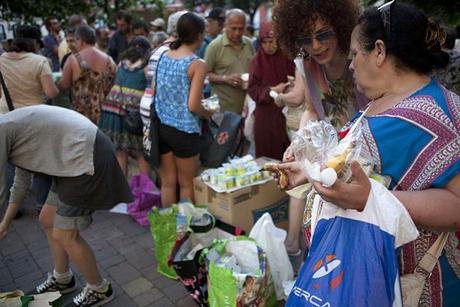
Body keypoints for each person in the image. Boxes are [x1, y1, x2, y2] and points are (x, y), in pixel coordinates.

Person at [278, 2, 460, 306]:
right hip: (377, 277)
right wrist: (308, 170)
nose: (350, 65)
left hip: (422, 285)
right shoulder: (384, 101)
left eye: (353, 55)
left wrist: (369, 199)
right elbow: (352, 167)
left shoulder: (432, 116)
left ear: (378, 51)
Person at [0, 105, 133, 306]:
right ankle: (63, 279)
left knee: (64, 234)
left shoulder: (3, 129)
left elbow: (1, 186)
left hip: (84, 156)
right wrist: (5, 223)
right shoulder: (7, 126)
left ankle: (100, 289)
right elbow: (21, 179)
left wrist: (3, 223)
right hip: (70, 158)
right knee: (48, 219)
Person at [272, 0, 362, 256]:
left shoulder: (359, 57)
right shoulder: (306, 63)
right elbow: (311, 109)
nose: (316, 45)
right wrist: (299, 140)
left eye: (323, 34)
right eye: (305, 38)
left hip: (363, 157)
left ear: (340, 25)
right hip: (330, 155)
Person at [152, 12, 212, 206]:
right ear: (199, 35)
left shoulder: (163, 55)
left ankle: (169, 231)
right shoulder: (197, 64)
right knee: (187, 185)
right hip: (185, 131)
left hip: (161, 127)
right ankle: (184, 233)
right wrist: (209, 113)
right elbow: (193, 105)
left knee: (168, 184)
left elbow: (155, 90)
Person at [0, 25, 59, 214]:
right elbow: (50, 92)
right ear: (34, 42)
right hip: (33, 119)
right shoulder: (40, 61)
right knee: (40, 162)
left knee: (10, 162)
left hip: (6, 116)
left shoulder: (2, 59)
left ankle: (12, 207)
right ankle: (42, 203)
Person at [99, 37, 152, 177]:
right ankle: (145, 191)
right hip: (133, 115)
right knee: (142, 153)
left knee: (120, 152)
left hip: (112, 111)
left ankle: (123, 192)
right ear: (147, 51)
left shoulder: (121, 64)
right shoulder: (146, 67)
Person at [247, 22, 294, 160]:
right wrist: (272, 90)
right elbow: (252, 88)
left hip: (287, 112)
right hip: (266, 116)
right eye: (265, 42)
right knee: (268, 158)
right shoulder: (257, 61)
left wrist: (289, 87)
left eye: (273, 41)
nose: (269, 46)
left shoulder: (287, 57)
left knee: (288, 155)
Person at [58, 25, 116, 124]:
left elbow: (64, 85)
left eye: (76, 41)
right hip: (103, 114)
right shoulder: (110, 61)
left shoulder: (73, 59)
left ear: (80, 40)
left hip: (80, 116)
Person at [205, 9, 255, 114]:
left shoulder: (249, 44)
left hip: (246, 107)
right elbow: (206, 75)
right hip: (223, 109)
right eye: (233, 28)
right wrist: (226, 79)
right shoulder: (214, 46)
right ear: (225, 26)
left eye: (241, 29)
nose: (237, 33)